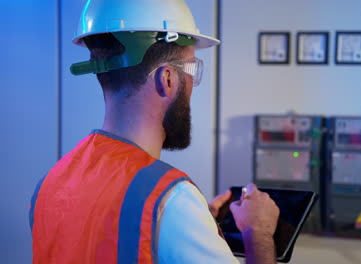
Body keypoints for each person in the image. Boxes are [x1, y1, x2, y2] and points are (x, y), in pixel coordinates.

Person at [29, 0, 280, 263]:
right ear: (167, 79)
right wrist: (258, 233)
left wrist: (198, 224)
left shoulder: (50, 183)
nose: (193, 83)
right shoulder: (172, 200)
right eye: (192, 69)